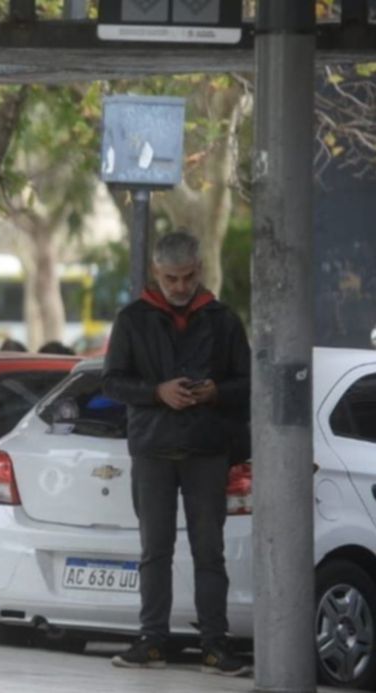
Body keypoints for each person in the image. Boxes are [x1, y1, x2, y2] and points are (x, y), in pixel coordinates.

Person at [103, 231, 252, 676]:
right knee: (155, 549)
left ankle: (214, 644)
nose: (181, 287)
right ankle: (152, 639)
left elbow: (247, 385)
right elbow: (112, 382)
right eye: (172, 279)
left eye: (188, 277)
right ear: (156, 273)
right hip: (153, 448)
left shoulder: (223, 320)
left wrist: (214, 392)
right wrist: (157, 392)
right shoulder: (132, 319)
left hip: (207, 449)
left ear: (200, 270)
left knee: (209, 551)